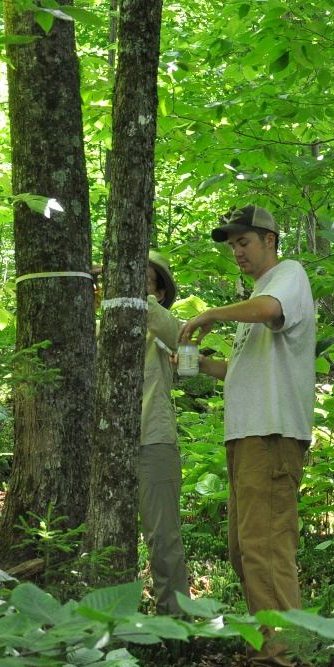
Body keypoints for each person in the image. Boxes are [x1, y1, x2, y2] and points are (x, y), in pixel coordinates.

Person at [176, 205, 316, 667]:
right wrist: (197, 362)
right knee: (245, 551)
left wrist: (211, 312)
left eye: (244, 242)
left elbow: (270, 312)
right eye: (232, 245)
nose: (236, 251)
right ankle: (281, 654)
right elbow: (242, 369)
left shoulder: (287, 278)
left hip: (273, 436)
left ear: (270, 240)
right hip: (246, 438)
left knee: (266, 550)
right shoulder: (256, 297)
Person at [140, 251, 189, 615]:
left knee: (163, 539)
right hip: (104, 444)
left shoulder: (162, 324)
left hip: (153, 439)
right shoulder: (99, 326)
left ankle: (175, 626)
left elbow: (179, 339)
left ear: (159, 290)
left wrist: (135, 297)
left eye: (144, 278)